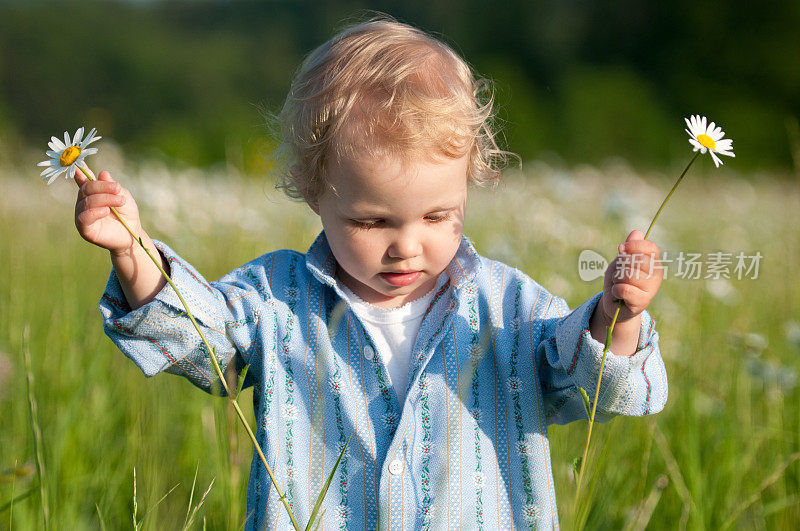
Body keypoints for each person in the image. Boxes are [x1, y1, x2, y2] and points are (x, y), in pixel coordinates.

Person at [75, 17, 667, 530]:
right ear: (314, 192)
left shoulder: (506, 305)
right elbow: (202, 346)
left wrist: (616, 319)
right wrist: (133, 254)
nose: (407, 246)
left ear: (471, 181)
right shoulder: (279, 297)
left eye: (438, 216)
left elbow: (584, 390)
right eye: (372, 221)